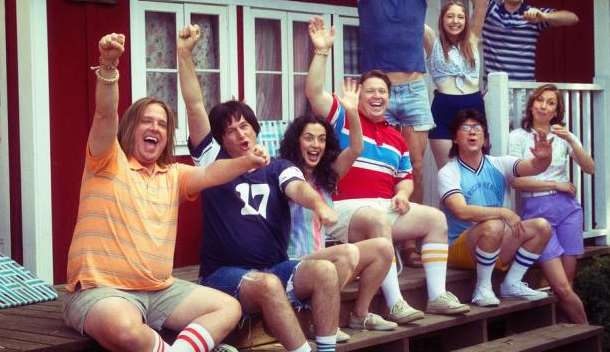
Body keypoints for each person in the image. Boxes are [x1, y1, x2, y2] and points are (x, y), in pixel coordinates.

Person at [65, 33, 269, 352]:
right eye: (147, 122)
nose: (155, 128)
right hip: (102, 291)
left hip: (160, 291)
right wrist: (109, 67)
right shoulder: (107, 160)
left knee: (229, 308)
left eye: (162, 125)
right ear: (130, 128)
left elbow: (211, 172)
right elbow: (105, 114)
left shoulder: (173, 175)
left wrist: (247, 161)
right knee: (123, 329)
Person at [178, 24, 342, 352]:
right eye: (230, 131)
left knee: (325, 270)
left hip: (274, 268)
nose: (240, 134)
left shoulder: (278, 166)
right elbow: (195, 106)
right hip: (223, 275)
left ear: (255, 129)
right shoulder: (212, 161)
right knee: (267, 284)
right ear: (221, 139)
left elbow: (297, 188)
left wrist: (319, 205)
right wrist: (185, 55)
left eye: (244, 126)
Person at [306, 16, 470, 325]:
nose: (377, 97)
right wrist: (322, 51)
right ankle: (395, 303)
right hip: (343, 209)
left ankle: (437, 296)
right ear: (358, 95)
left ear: (389, 97)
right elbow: (314, 92)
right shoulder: (343, 117)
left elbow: (405, 179)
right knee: (378, 219)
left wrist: (403, 195)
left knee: (435, 218)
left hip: (383, 207)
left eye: (383, 92)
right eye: (370, 91)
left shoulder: (396, 137)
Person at [347, 0, 442, 264]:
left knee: (415, 165)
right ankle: (378, 235)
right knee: (376, 164)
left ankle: (409, 239)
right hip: (378, 93)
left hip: (415, 89)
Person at [438, 109, 588, 324]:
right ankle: (483, 287)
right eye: (465, 128)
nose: (472, 132)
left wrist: (544, 158)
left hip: (494, 243)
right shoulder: (449, 171)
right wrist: (503, 212)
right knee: (494, 224)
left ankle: (512, 283)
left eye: (477, 128)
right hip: (459, 248)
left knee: (541, 226)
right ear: (455, 138)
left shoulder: (499, 163)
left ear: (484, 137)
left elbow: (532, 166)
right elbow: (461, 210)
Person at [280, 89, 397, 332]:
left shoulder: (326, 178)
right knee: (347, 253)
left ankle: (359, 314)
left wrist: (352, 112)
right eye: (309, 138)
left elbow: (356, 148)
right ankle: (321, 320)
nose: (316, 145)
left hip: (323, 260)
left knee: (383, 248)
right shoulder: (282, 175)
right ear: (296, 142)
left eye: (321, 139)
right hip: (292, 264)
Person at [424, 0, 503, 172]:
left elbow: (482, 1)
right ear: (442, 20)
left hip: (472, 105)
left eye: (460, 17)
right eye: (450, 16)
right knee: (447, 171)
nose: (455, 21)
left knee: (475, 168)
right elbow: (411, 15)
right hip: (443, 107)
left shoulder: (471, 39)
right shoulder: (432, 41)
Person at [508, 84, 595, 286]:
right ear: (531, 105)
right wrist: (555, 185)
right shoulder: (518, 136)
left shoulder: (563, 136)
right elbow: (516, 181)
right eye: (539, 100)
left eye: (550, 103)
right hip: (538, 210)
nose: (543, 106)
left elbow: (590, 168)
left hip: (568, 209)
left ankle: (565, 309)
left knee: (568, 278)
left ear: (556, 112)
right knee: (559, 284)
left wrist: (571, 140)